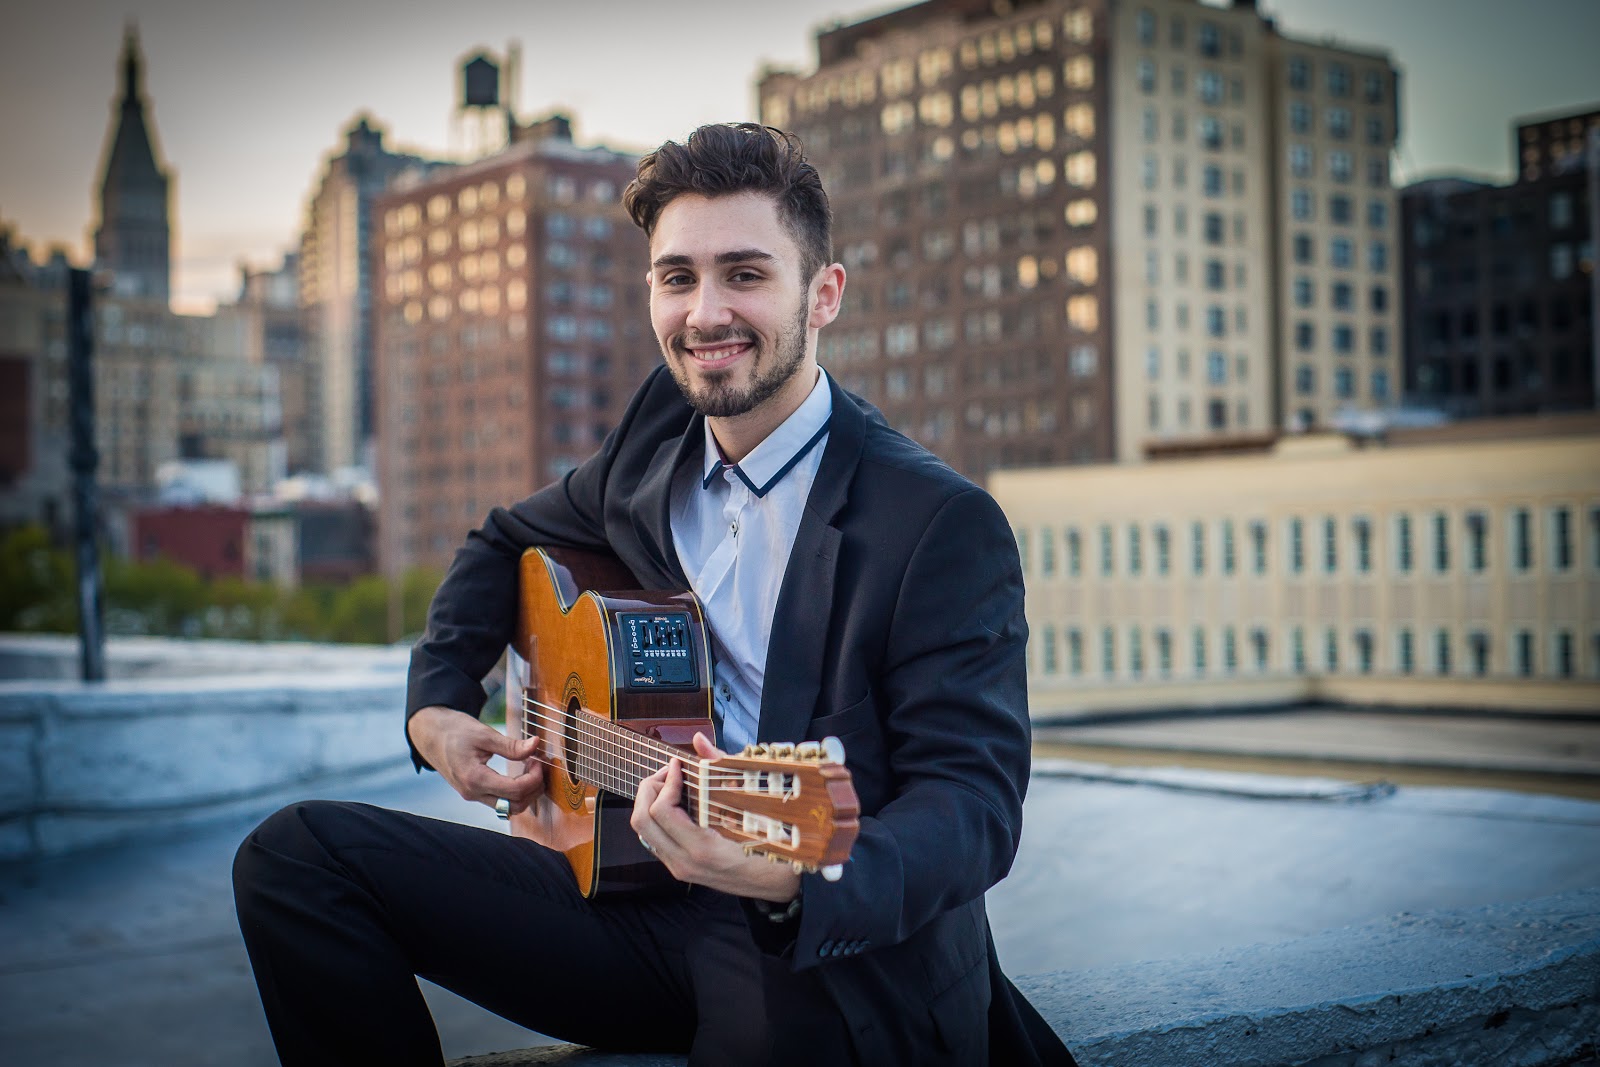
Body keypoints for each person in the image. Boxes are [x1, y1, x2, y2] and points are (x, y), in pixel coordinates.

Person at [233, 122, 1075, 1067]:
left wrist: (787, 877)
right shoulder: (657, 437)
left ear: (823, 294)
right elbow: (504, 536)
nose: (706, 313)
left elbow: (972, 808)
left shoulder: (934, 523)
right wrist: (437, 705)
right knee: (294, 860)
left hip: (813, 939)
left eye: (745, 274)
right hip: (629, 895)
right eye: (679, 277)